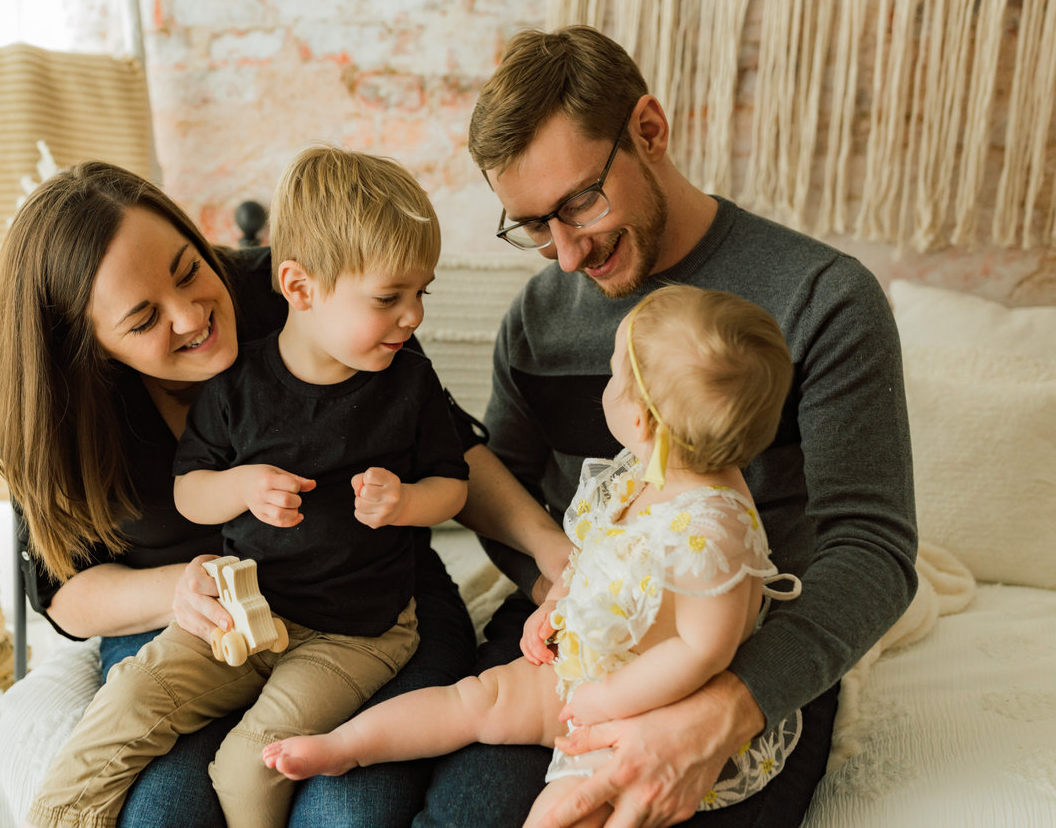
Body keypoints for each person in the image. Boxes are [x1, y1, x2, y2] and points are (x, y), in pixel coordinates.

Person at [416, 25, 918, 828]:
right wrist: (569, 595)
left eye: (580, 201)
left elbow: (876, 549)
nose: (568, 255)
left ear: (650, 130)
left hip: (747, 651)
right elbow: (504, 488)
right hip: (580, 634)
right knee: (466, 814)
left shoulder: (823, 298)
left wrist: (728, 705)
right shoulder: (538, 318)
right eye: (536, 225)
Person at [0, 159, 489, 828]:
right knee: (163, 813)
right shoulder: (61, 412)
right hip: (201, 618)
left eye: (189, 268)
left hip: (361, 609)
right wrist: (183, 588)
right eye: (142, 319)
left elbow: (455, 457)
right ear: (91, 348)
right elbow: (65, 594)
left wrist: (548, 552)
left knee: (341, 809)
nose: (193, 314)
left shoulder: (309, 293)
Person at [267, 285, 808, 827]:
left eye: (616, 373)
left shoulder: (714, 530)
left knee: (568, 809)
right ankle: (345, 746)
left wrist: (612, 698)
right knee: (475, 701)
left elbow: (703, 651)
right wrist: (559, 604)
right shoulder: (648, 469)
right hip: (587, 664)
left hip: (650, 709)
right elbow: (599, 552)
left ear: (643, 420)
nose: (607, 381)